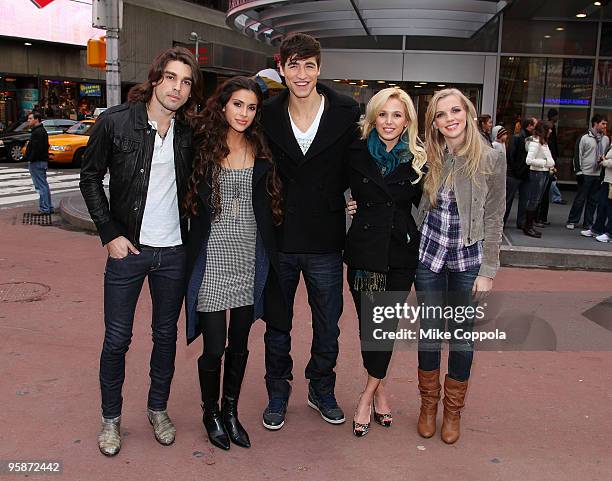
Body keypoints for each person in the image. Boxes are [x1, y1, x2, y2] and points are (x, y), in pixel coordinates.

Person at [80, 47, 203, 457]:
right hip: (127, 250)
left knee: (165, 337)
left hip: (173, 252)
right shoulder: (115, 122)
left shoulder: (189, 131)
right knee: (117, 339)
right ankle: (111, 420)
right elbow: (90, 177)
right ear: (155, 79)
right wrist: (109, 233)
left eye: (185, 81)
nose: (177, 87)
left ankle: (157, 409)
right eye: (171, 77)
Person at [260, 33, 360, 430]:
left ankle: (321, 387)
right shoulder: (266, 113)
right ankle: (278, 391)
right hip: (280, 236)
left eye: (309, 65)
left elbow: (360, 163)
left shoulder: (346, 110)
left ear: (320, 68)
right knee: (277, 324)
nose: (302, 74)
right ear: (281, 68)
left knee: (327, 324)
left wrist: (358, 198)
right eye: (294, 65)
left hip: (325, 238)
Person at [182, 77, 288, 451]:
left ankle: (230, 411)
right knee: (214, 346)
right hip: (212, 262)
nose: (244, 113)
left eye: (252, 107)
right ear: (223, 106)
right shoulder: (201, 147)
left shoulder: (263, 149)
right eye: (238, 105)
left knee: (240, 345)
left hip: (249, 260)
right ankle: (209, 412)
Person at [414, 88, 505, 444]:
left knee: (462, 338)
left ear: (467, 113)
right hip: (429, 259)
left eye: (456, 110)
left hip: (468, 261)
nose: (449, 118)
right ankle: (427, 406)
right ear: (434, 123)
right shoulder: (427, 157)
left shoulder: (492, 157)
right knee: (430, 334)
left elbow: (495, 217)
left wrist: (489, 270)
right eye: (441, 114)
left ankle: (452, 412)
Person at [343, 88, 426, 436]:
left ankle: (366, 395)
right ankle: (381, 390)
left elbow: (432, 203)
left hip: (400, 253)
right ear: (373, 117)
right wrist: (351, 206)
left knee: (385, 327)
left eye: (397, 115)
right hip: (364, 251)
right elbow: (335, 190)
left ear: (407, 121)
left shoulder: (420, 158)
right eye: (383, 114)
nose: (389, 122)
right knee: (370, 328)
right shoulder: (355, 151)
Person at [566, 114, 609, 229]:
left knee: (593, 201)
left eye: (606, 124)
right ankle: (572, 220)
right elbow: (577, 155)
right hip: (586, 173)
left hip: (598, 173)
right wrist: (578, 171)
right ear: (595, 123)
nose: (605, 126)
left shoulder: (606, 139)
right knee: (580, 198)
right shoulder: (584, 137)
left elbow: (605, 156)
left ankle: (588, 223)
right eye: (603, 123)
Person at [523, 121, 555, 238]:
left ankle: (529, 225)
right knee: (534, 200)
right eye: (549, 129)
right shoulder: (536, 143)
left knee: (536, 200)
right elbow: (529, 160)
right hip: (537, 173)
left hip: (543, 173)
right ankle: (528, 226)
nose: (551, 131)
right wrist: (545, 163)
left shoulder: (542, 142)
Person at [504, 117, 536, 229]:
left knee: (524, 199)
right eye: (534, 125)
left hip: (523, 172)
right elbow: (511, 155)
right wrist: (516, 169)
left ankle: (521, 222)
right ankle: (503, 222)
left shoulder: (531, 139)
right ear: (529, 126)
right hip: (516, 173)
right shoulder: (518, 138)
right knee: (509, 200)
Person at [581, 146, 612, 242]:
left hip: (610, 181)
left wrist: (604, 161)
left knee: (610, 208)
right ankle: (597, 229)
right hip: (607, 179)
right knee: (602, 206)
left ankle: (610, 234)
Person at [24, 111, 52, 214]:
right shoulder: (40, 131)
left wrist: (30, 158)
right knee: (43, 185)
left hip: (37, 162)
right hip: (40, 161)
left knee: (40, 186)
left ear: (36, 119)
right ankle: (48, 207)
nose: (28, 120)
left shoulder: (38, 132)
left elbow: (37, 149)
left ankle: (45, 208)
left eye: (30, 118)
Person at [537, 109, 559, 224]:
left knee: (543, 194)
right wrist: (547, 164)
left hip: (547, 169)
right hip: (542, 170)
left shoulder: (545, 142)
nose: (551, 131)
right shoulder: (540, 143)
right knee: (541, 194)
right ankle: (538, 217)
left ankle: (540, 217)